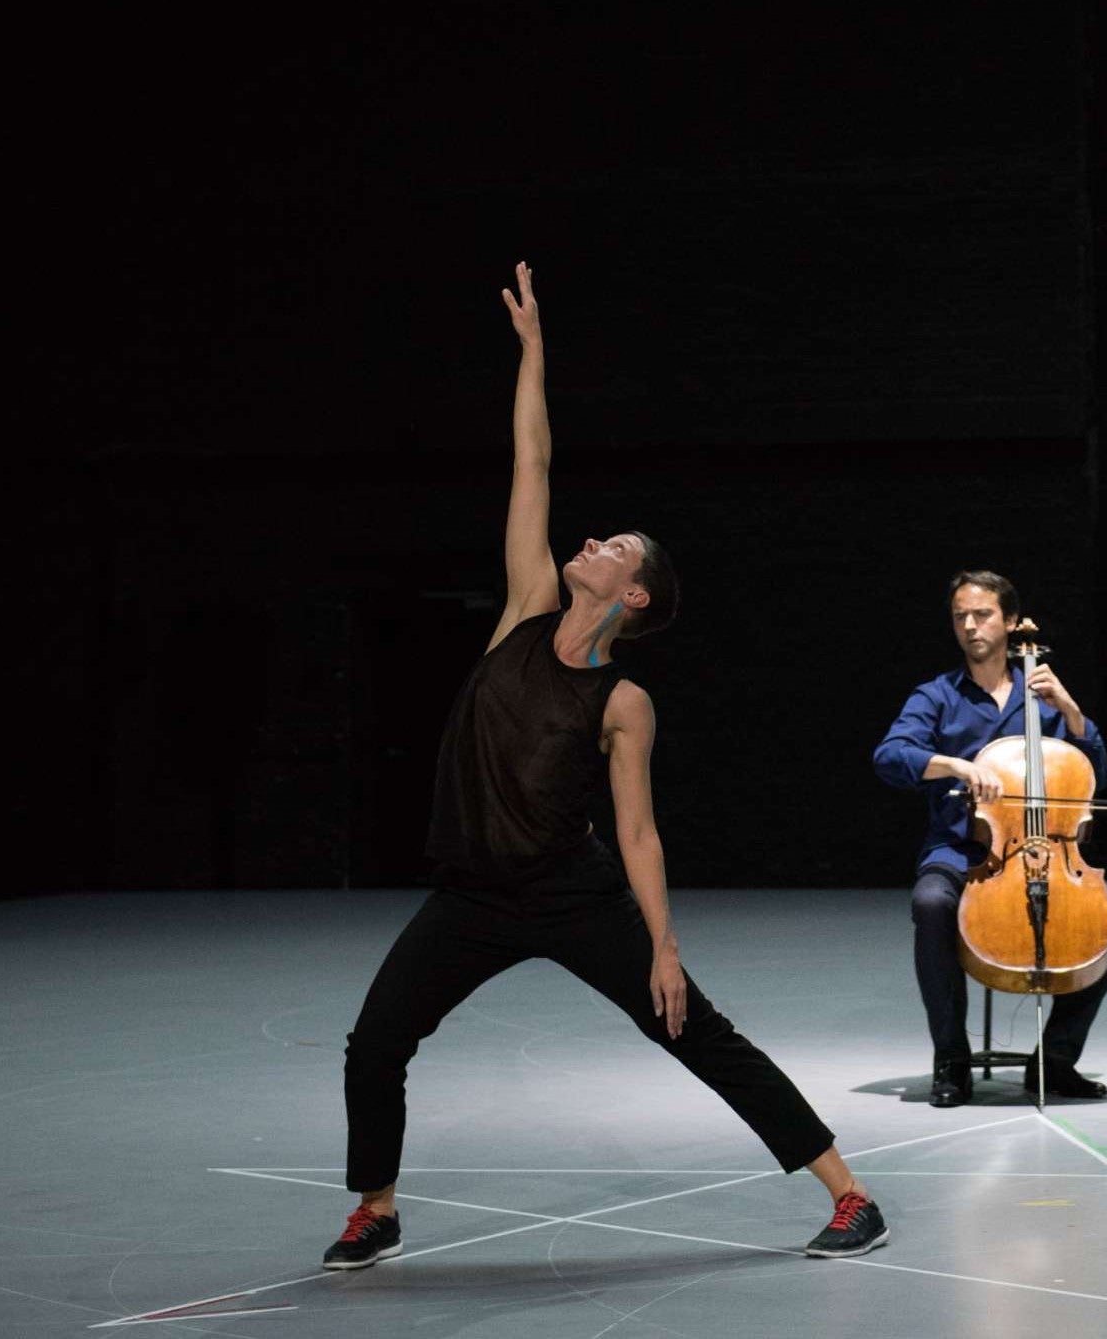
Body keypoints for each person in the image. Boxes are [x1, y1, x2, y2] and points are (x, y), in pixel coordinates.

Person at [324, 262, 886, 1270]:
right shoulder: (525, 609)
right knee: (376, 1043)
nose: (590, 540)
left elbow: (638, 831)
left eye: (613, 546)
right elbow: (530, 461)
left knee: (693, 1030)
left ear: (632, 596)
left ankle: (850, 1194)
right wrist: (535, 352)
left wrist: (663, 945)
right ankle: (378, 1209)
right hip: (468, 896)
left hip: (570, 896)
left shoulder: (623, 702)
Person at [872, 570, 1107, 1108]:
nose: (970, 626)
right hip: (959, 850)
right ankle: (951, 1059)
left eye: (983, 615)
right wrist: (952, 763)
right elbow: (889, 756)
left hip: (1047, 852)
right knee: (931, 903)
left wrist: (1070, 711)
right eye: (960, 617)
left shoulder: (1042, 698)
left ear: (1012, 622)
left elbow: (1098, 774)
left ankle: (1057, 1059)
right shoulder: (937, 697)